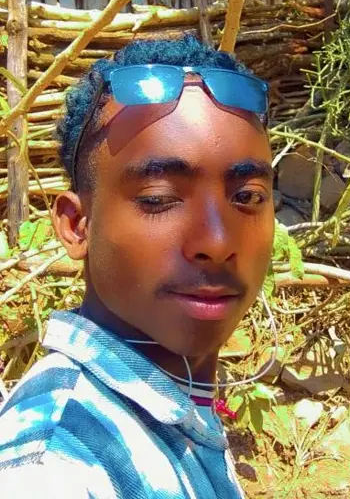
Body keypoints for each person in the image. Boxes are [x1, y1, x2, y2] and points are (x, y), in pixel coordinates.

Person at [0, 35, 276, 498]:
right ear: (77, 226)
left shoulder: (173, 408)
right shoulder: (54, 470)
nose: (217, 242)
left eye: (247, 196)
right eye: (158, 199)